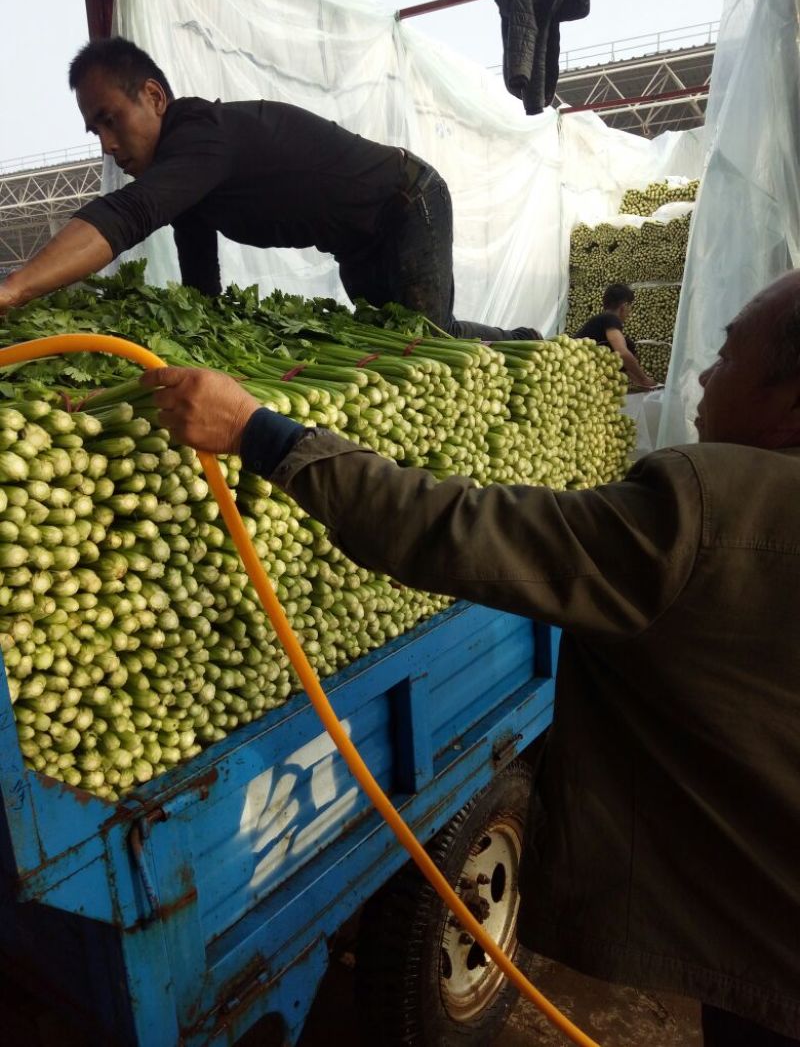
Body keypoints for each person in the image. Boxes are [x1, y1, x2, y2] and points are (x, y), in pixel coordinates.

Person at [143, 269, 800, 1046]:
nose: (700, 377)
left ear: (788, 401)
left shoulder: (716, 505)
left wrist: (260, 431)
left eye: (726, 358)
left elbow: (463, 530)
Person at [0, 38, 538, 343]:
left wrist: (14, 289)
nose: (108, 144)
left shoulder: (203, 138)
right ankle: (516, 344)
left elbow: (129, 213)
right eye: (96, 131)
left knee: (427, 341)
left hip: (406, 201)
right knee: (393, 335)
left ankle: (522, 346)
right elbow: (201, 288)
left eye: (111, 120)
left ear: (153, 95)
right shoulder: (191, 181)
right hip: (358, 240)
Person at [573, 282, 656, 388]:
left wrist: (639, 381)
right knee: (627, 346)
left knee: (627, 345)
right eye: (630, 306)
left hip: (580, 368)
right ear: (624, 306)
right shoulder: (611, 319)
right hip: (578, 370)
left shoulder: (602, 321)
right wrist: (644, 379)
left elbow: (622, 364)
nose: (630, 312)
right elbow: (623, 353)